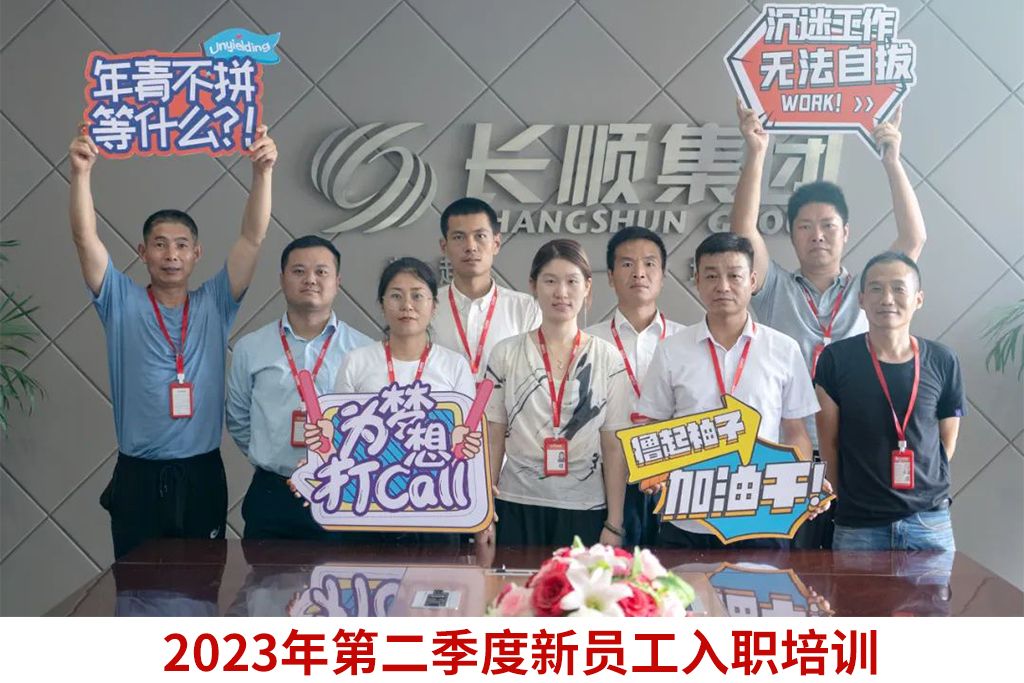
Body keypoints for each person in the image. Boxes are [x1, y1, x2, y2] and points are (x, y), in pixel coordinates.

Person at [68, 125, 277, 558]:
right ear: (142, 252)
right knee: (135, 586)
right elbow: (85, 239)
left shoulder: (215, 303)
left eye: (182, 245)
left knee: (203, 584)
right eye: (160, 245)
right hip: (138, 475)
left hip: (201, 473)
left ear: (197, 254)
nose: (171, 255)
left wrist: (262, 174)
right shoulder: (120, 301)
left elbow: (252, 238)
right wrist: (81, 173)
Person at [730, 99, 927, 548]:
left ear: (846, 233)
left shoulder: (870, 289)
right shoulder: (774, 287)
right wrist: (756, 152)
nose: (817, 235)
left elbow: (913, 238)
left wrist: (892, 161)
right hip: (788, 450)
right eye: (804, 226)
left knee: (855, 564)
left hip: (858, 450)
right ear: (792, 234)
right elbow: (743, 234)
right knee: (790, 560)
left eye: (827, 225)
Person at [636, 233, 822, 550]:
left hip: (761, 515)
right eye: (711, 276)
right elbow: (653, 424)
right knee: (684, 585)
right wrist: (654, 470)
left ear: (752, 281)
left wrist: (802, 483)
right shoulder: (671, 351)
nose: (723, 286)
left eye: (734, 275)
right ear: (697, 281)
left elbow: (795, 431)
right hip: (688, 518)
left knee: (762, 583)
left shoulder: (783, 349)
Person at [304, 257, 480, 548]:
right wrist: (316, 462)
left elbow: (467, 439)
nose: (407, 305)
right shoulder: (357, 361)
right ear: (382, 304)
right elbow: (340, 437)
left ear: (434, 306)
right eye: (396, 296)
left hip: (435, 506)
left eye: (417, 296)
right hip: (368, 504)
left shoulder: (454, 365)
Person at [476, 239, 633, 552]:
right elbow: (491, 435)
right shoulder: (504, 353)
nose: (561, 292)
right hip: (516, 503)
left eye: (572, 281)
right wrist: (484, 514)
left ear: (587, 287)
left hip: (585, 508)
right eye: (550, 281)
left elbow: (614, 445)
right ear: (533, 285)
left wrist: (614, 522)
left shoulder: (608, 358)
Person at [815, 252, 964, 552]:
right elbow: (829, 442)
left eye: (898, 288)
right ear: (861, 299)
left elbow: (946, 442)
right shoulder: (836, 359)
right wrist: (848, 502)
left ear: (918, 299)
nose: (887, 299)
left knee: (935, 589)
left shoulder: (943, 360)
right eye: (876, 288)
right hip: (859, 526)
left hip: (928, 522)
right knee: (852, 589)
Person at [226, 236, 373, 540]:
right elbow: (238, 418)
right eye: (299, 271)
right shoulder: (250, 348)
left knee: (340, 572)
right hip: (272, 493)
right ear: (282, 280)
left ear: (337, 281)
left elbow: (371, 426)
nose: (310, 280)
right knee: (261, 572)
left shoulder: (364, 351)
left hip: (340, 490)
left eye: (321, 272)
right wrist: (270, 454)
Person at [584, 226, 685, 548]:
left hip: (672, 478)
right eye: (627, 264)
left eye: (649, 263)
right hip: (604, 479)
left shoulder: (688, 342)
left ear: (663, 275)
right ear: (611, 277)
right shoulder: (588, 341)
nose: (639, 273)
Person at [432, 197, 541, 382]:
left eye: (480, 236)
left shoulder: (526, 309)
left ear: (496, 244)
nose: (470, 247)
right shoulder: (428, 307)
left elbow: (536, 378)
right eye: (459, 237)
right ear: (444, 247)